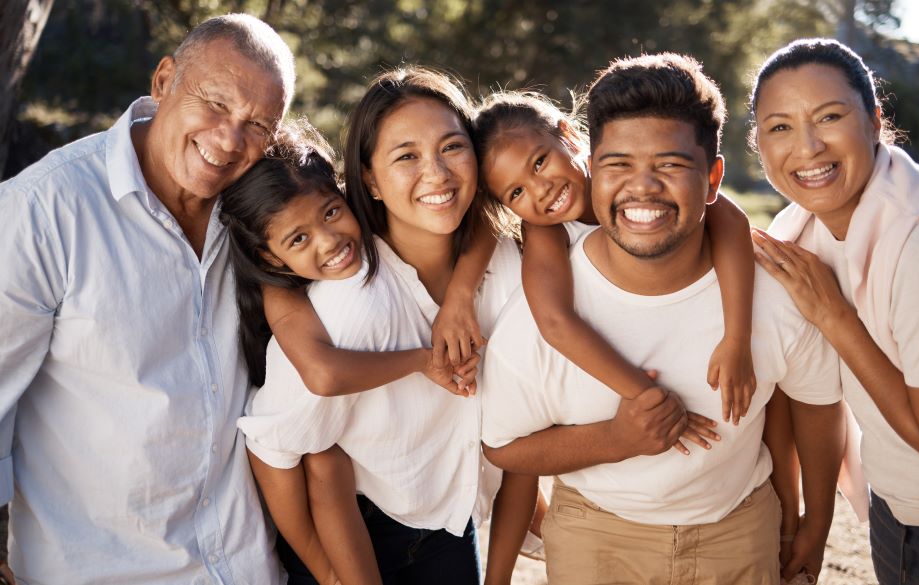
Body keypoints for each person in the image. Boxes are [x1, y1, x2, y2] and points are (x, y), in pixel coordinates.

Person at [481, 52, 846, 585]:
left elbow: (809, 404)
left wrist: (736, 336)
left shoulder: (765, 283)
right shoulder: (543, 261)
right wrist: (634, 419)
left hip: (738, 527)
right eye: (621, 165)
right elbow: (554, 329)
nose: (643, 187)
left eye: (670, 164)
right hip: (598, 533)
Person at [0, 13, 294, 584]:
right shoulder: (42, 210)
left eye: (257, 124)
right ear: (163, 82)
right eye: (215, 103)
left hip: (249, 567)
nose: (229, 139)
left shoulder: (264, 218)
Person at [237, 67, 526, 585]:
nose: (436, 173)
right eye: (407, 156)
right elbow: (276, 446)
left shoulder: (503, 260)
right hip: (359, 544)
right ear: (368, 179)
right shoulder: (351, 302)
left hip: (450, 530)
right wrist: (326, 571)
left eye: (452, 147)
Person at [749, 38, 919, 584]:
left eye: (829, 116)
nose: (808, 147)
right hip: (895, 513)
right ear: (758, 144)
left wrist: (835, 317)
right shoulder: (806, 229)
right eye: (781, 127)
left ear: (875, 120)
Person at [474, 91, 757, 426]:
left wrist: (737, 341)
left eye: (539, 162)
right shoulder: (544, 230)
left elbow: (731, 220)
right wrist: (650, 397)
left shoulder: (624, 171)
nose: (540, 190)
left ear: (568, 135)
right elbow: (555, 322)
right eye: (516, 192)